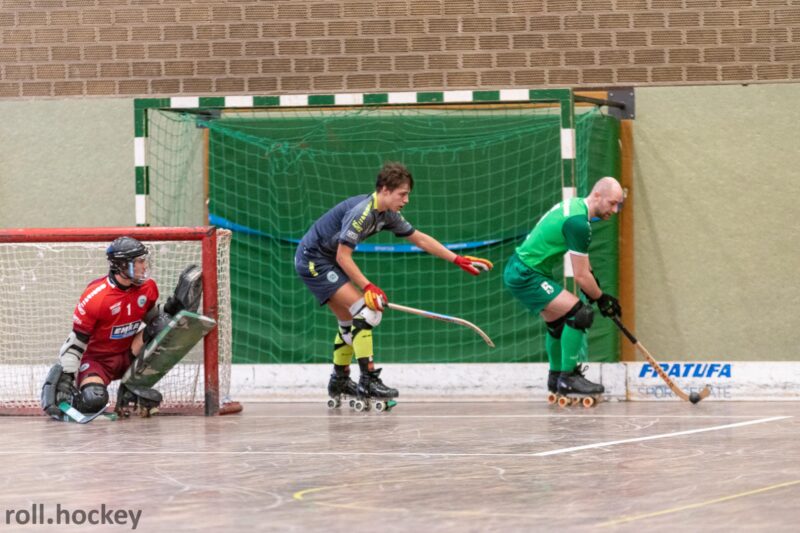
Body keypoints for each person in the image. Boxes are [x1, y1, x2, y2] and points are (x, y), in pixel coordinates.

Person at [295, 162, 493, 405]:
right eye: (403, 194)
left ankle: (339, 380)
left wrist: (457, 259)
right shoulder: (362, 213)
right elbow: (343, 257)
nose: (406, 200)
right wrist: (368, 287)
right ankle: (368, 380)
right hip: (313, 260)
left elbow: (419, 239)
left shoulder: (387, 214)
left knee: (348, 322)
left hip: (328, 260)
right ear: (385, 190)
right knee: (366, 312)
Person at [41, 236, 191, 419]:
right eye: (139, 261)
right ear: (122, 265)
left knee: (164, 324)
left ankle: (132, 387)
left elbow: (153, 318)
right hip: (98, 361)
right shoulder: (96, 297)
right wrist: (67, 376)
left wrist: (172, 307)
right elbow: (77, 342)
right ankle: (76, 399)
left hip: (129, 353)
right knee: (94, 399)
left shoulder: (148, 287)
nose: (145, 266)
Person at [503, 177, 624, 398]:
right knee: (580, 313)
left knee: (558, 324)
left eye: (619, 205)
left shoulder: (576, 207)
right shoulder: (579, 223)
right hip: (526, 274)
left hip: (526, 270)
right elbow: (580, 276)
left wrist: (594, 286)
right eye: (612, 203)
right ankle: (568, 378)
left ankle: (556, 376)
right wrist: (602, 298)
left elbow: (584, 268)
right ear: (597, 195)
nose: (615, 210)